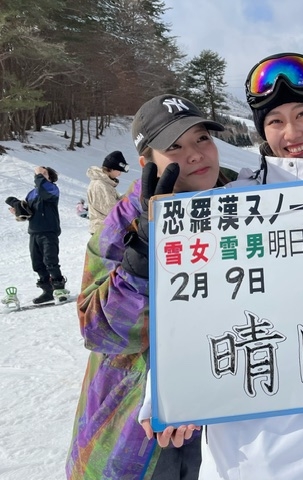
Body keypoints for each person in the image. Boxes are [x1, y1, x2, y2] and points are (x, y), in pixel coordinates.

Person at [138, 52, 303, 480]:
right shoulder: (230, 205)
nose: (291, 132)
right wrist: (169, 392)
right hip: (263, 455)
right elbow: (191, 299)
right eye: (275, 121)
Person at [66, 94, 231, 480]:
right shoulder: (126, 219)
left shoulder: (237, 206)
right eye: (173, 147)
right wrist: (140, 252)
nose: (194, 154)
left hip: (222, 417)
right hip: (135, 435)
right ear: (146, 163)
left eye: (201, 138)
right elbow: (100, 330)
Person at [5, 166, 67, 304]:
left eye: (44, 173)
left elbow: (44, 192)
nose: (39, 175)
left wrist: (40, 176)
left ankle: (60, 290)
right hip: (34, 232)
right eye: (38, 174)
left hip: (49, 231)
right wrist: (18, 210)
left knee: (51, 261)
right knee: (37, 264)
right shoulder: (31, 193)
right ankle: (48, 291)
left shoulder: (52, 189)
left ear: (49, 177)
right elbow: (28, 212)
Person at [86, 150, 129, 234]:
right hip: (103, 231)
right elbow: (112, 210)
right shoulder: (100, 185)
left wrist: (129, 196)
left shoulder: (105, 184)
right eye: (119, 171)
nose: (120, 174)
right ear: (111, 169)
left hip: (106, 229)